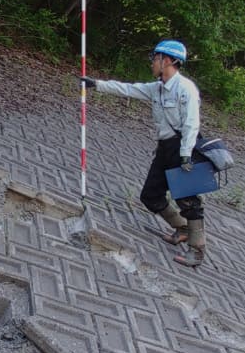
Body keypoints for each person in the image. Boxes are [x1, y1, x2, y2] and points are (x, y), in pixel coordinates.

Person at [81, 39, 207, 267]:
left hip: (183, 149)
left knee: (189, 201)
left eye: (155, 58)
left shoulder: (185, 88)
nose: (152, 63)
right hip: (165, 148)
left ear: (167, 61)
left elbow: (192, 124)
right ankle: (182, 228)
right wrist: (96, 84)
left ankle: (197, 251)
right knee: (150, 195)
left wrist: (185, 155)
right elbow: (129, 89)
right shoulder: (157, 88)